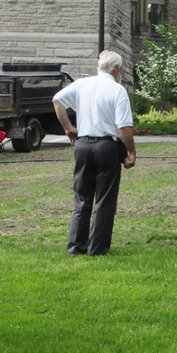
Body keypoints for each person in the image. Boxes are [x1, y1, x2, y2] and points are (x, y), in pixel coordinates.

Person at [53, 50, 136, 256]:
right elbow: (124, 128)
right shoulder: (117, 90)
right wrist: (131, 152)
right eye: (121, 70)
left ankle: (76, 246)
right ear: (115, 69)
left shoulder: (83, 84)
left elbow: (57, 101)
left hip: (82, 145)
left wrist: (68, 127)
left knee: (82, 198)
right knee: (105, 199)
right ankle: (97, 248)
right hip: (106, 146)